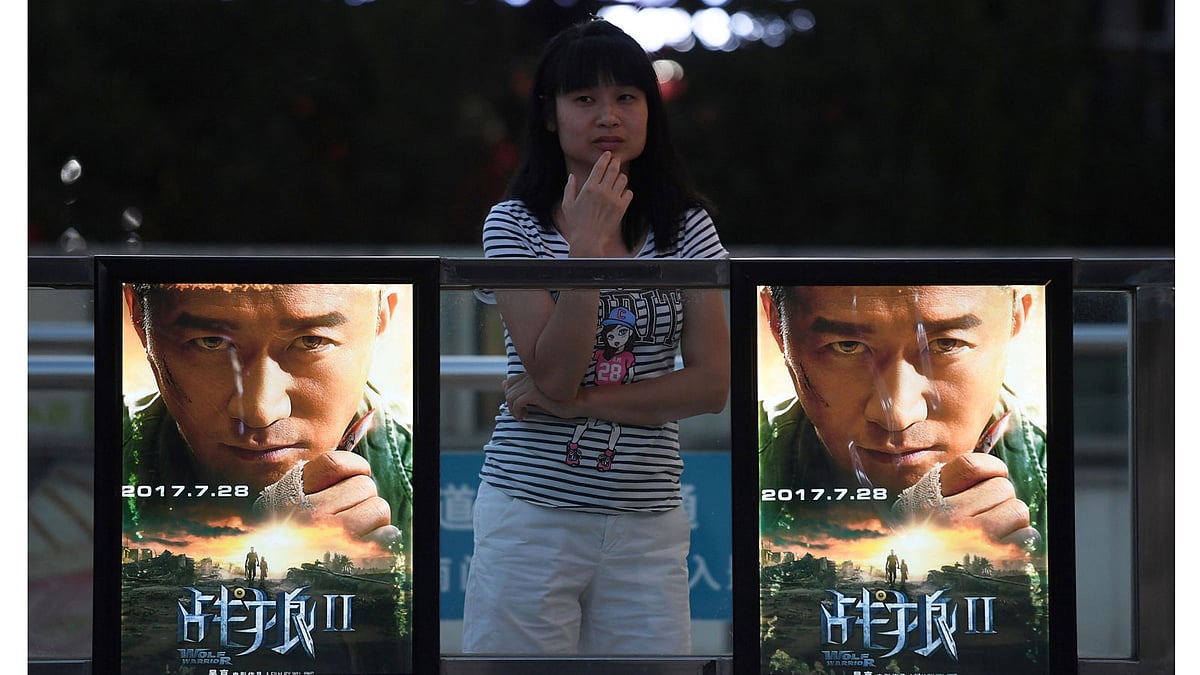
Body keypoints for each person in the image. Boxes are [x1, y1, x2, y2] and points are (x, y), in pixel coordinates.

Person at [462, 18, 730, 656]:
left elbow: (713, 384)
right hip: (531, 511)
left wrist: (575, 405)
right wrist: (585, 248)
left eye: (626, 98)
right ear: (550, 116)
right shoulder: (514, 225)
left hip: (648, 517)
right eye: (584, 99)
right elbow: (551, 372)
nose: (608, 115)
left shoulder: (684, 226)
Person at [122, 283, 414, 549]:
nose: (260, 412)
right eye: (211, 342)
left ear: (380, 320)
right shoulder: (85, 473)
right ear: (139, 319)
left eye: (311, 341)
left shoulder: (439, 476)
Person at [759, 285, 1046, 550]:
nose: (897, 415)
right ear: (776, 325)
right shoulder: (728, 477)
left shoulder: (1069, 482)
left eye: (946, 344)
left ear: (1015, 319)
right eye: (847, 346)